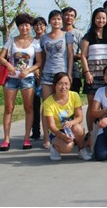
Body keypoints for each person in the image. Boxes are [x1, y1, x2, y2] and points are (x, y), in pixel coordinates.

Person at [0, 12, 41, 151]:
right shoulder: (11, 40)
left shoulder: (35, 43)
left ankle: (26, 138)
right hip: (11, 79)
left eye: (27, 25)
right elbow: (0, 57)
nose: (24, 28)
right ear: (18, 27)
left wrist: (29, 70)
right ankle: (6, 139)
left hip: (27, 79)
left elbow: (39, 62)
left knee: (28, 108)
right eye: (21, 25)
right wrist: (8, 65)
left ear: (30, 26)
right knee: (8, 108)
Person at [40, 10, 74, 149]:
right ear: (49, 21)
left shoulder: (67, 35)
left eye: (59, 19)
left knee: (64, 105)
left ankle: (66, 134)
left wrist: (69, 73)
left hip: (62, 74)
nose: (56, 21)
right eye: (54, 19)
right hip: (47, 74)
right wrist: (40, 73)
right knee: (46, 107)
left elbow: (70, 55)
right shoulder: (44, 38)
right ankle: (46, 137)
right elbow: (42, 57)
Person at [81, 7, 107, 140]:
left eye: (103, 18)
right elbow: (83, 56)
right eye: (98, 18)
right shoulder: (88, 36)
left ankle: (102, 133)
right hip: (92, 75)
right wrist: (87, 73)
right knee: (92, 106)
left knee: (105, 105)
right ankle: (91, 133)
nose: (101, 20)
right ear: (94, 19)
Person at [42, 72, 92, 161]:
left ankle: (81, 150)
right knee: (68, 147)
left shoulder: (74, 95)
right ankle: (54, 147)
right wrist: (62, 136)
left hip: (71, 128)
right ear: (54, 85)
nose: (63, 87)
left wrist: (71, 122)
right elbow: (51, 126)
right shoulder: (48, 102)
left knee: (79, 129)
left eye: (66, 84)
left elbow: (80, 117)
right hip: (57, 131)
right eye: (60, 84)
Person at [31, 16, 47, 140]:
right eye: (36, 25)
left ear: (45, 26)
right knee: (34, 105)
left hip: (47, 75)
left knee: (48, 105)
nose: (39, 27)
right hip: (33, 76)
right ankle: (35, 131)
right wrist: (35, 70)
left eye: (41, 24)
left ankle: (50, 131)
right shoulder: (31, 41)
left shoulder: (48, 39)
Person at [62, 6, 83, 93]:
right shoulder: (57, 33)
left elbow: (85, 53)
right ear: (62, 16)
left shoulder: (78, 34)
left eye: (72, 16)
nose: (69, 17)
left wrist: (72, 56)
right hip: (59, 68)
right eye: (66, 15)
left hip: (74, 70)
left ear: (74, 18)